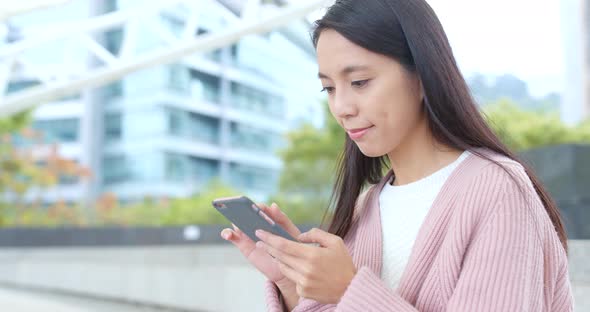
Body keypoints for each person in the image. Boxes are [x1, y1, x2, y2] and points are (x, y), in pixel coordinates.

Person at [220, 0, 574, 311]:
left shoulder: (499, 191)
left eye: (359, 82)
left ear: (421, 76)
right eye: (329, 88)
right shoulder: (365, 207)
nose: (341, 107)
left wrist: (348, 289)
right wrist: (291, 284)